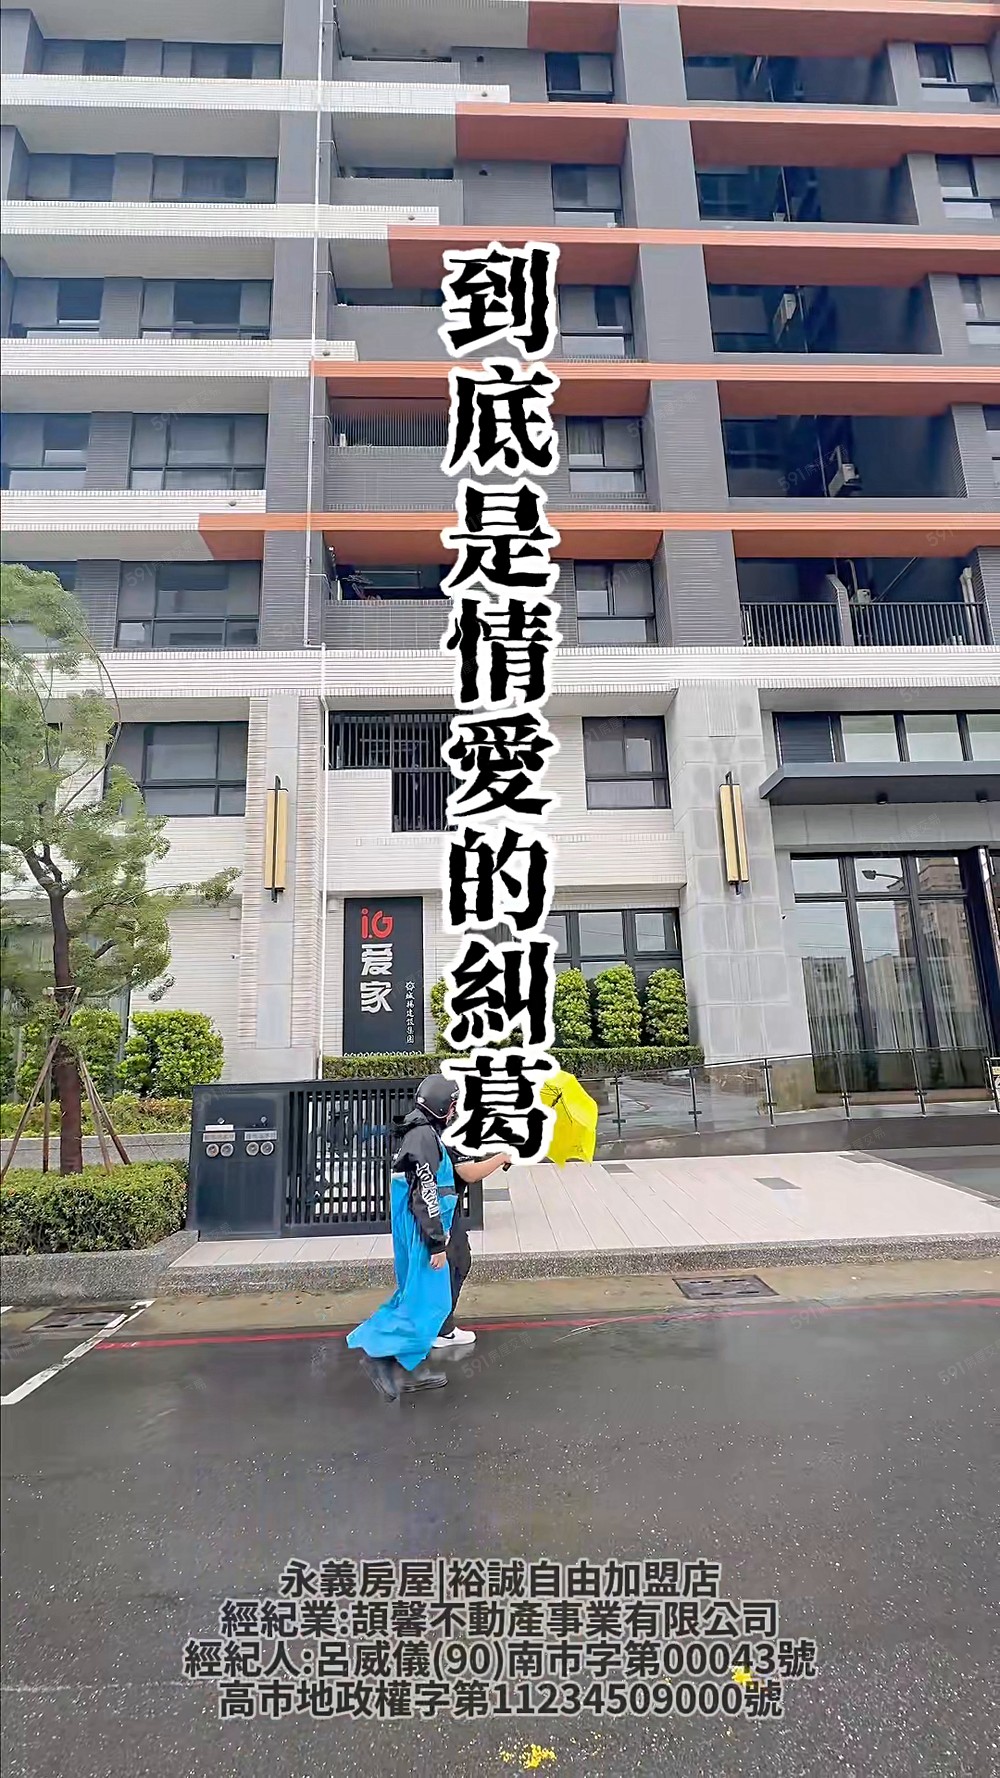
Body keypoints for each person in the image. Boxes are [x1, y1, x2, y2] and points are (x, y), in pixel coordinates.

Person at [347, 1074, 512, 1401]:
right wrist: (436, 1243)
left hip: (417, 1227)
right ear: (440, 1106)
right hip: (423, 1230)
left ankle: (404, 1367)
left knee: (419, 1298)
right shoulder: (424, 1137)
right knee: (429, 1300)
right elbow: (425, 1192)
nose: (454, 1111)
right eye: (452, 1105)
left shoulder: (420, 1133)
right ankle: (383, 1359)